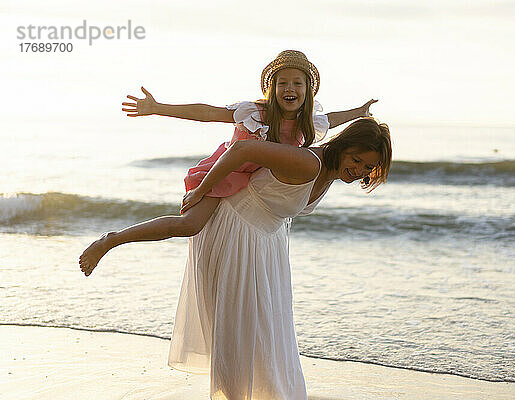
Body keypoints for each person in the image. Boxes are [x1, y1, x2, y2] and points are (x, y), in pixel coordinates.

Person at [79, 50, 377, 274]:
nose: (290, 88)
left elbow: (334, 119)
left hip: (253, 188)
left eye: (297, 83)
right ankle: (111, 240)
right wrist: (158, 108)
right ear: (270, 89)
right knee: (187, 226)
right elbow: (207, 113)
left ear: (308, 91)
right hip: (226, 173)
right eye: (282, 82)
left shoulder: (307, 123)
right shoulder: (255, 112)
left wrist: (360, 112)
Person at [168, 117, 392, 399]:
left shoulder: (332, 171)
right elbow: (241, 151)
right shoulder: (310, 162)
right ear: (344, 145)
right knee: (241, 330)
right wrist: (202, 189)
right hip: (235, 231)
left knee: (266, 332)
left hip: (265, 242)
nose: (359, 170)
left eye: (368, 167)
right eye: (357, 160)